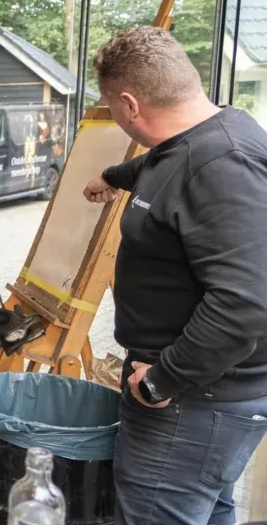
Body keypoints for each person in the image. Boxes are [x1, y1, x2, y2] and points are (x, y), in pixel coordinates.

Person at [83, 26, 267, 524]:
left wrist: (162, 382)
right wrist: (112, 176)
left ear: (129, 104)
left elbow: (245, 304)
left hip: (190, 402)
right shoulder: (196, 138)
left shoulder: (223, 164)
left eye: (111, 107)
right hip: (198, 401)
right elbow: (162, 164)